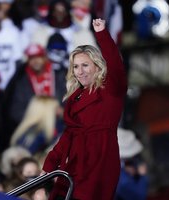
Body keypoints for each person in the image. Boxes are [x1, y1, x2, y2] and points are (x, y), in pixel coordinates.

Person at [41, 18, 127, 200]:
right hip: (74, 161)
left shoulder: (111, 89)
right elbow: (68, 135)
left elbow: (115, 64)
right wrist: (49, 165)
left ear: (97, 65)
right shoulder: (75, 97)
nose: (80, 72)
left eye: (85, 65)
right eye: (76, 67)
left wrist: (102, 33)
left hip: (100, 159)